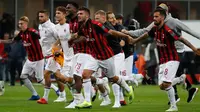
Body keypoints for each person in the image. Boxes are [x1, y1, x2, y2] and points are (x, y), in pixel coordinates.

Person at [123, 3, 199, 104]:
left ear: (165, 12)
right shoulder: (156, 24)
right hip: (164, 51)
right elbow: (145, 32)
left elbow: (189, 31)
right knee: (168, 77)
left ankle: (177, 95)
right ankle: (187, 88)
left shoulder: (173, 22)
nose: (155, 17)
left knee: (169, 77)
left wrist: (194, 47)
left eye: (159, 12)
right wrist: (129, 33)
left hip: (176, 50)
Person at [72, 7, 134, 109]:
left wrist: (126, 36)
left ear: (87, 16)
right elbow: (80, 35)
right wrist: (70, 40)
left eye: (81, 14)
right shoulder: (83, 27)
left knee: (113, 78)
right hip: (95, 56)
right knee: (85, 74)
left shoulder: (97, 25)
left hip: (107, 56)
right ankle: (87, 102)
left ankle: (128, 88)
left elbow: (111, 32)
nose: (78, 15)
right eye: (78, 14)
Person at [36, 10, 64, 104]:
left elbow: (60, 39)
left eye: (42, 16)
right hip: (47, 55)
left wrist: (57, 51)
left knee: (46, 74)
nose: (40, 18)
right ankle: (64, 93)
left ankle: (45, 98)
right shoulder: (40, 26)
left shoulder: (52, 27)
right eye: (39, 16)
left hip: (54, 55)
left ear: (47, 16)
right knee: (59, 77)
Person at [14, 16, 44, 100]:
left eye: (22, 23)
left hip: (38, 59)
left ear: (26, 24)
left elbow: (39, 36)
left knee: (40, 80)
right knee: (23, 76)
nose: (20, 25)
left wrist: (39, 33)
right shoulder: (21, 34)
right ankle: (35, 95)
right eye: (19, 24)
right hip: (30, 59)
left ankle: (57, 90)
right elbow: (13, 40)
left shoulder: (32, 32)